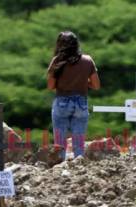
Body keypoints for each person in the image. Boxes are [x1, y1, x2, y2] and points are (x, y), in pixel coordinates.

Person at [47, 31, 100, 160]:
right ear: (76, 44)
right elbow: (96, 85)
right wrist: (83, 82)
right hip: (81, 102)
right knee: (78, 142)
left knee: (60, 143)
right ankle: (79, 168)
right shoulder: (88, 61)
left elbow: (50, 86)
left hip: (61, 102)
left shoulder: (56, 61)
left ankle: (60, 168)